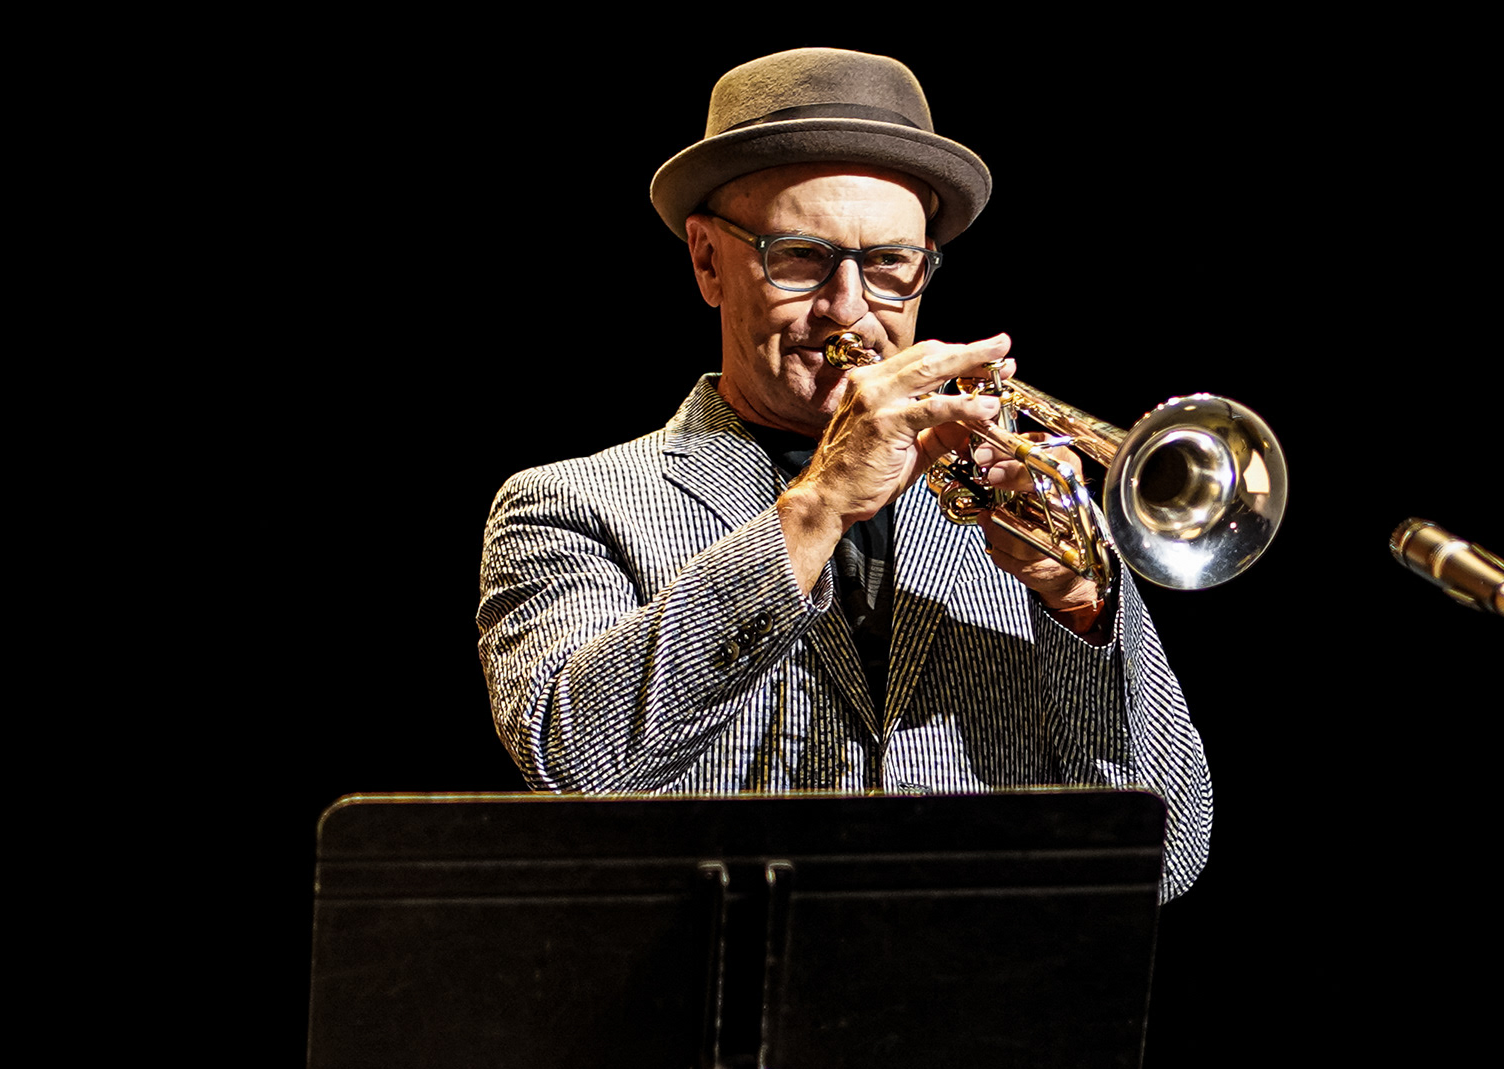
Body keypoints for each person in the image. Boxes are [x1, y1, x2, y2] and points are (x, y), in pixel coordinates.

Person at [477, 48, 1211, 901]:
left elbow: (1169, 853)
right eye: (800, 256)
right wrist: (816, 508)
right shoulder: (567, 505)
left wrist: (1081, 610)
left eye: (891, 263)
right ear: (708, 261)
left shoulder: (1018, 500)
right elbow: (577, 761)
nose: (849, 308)